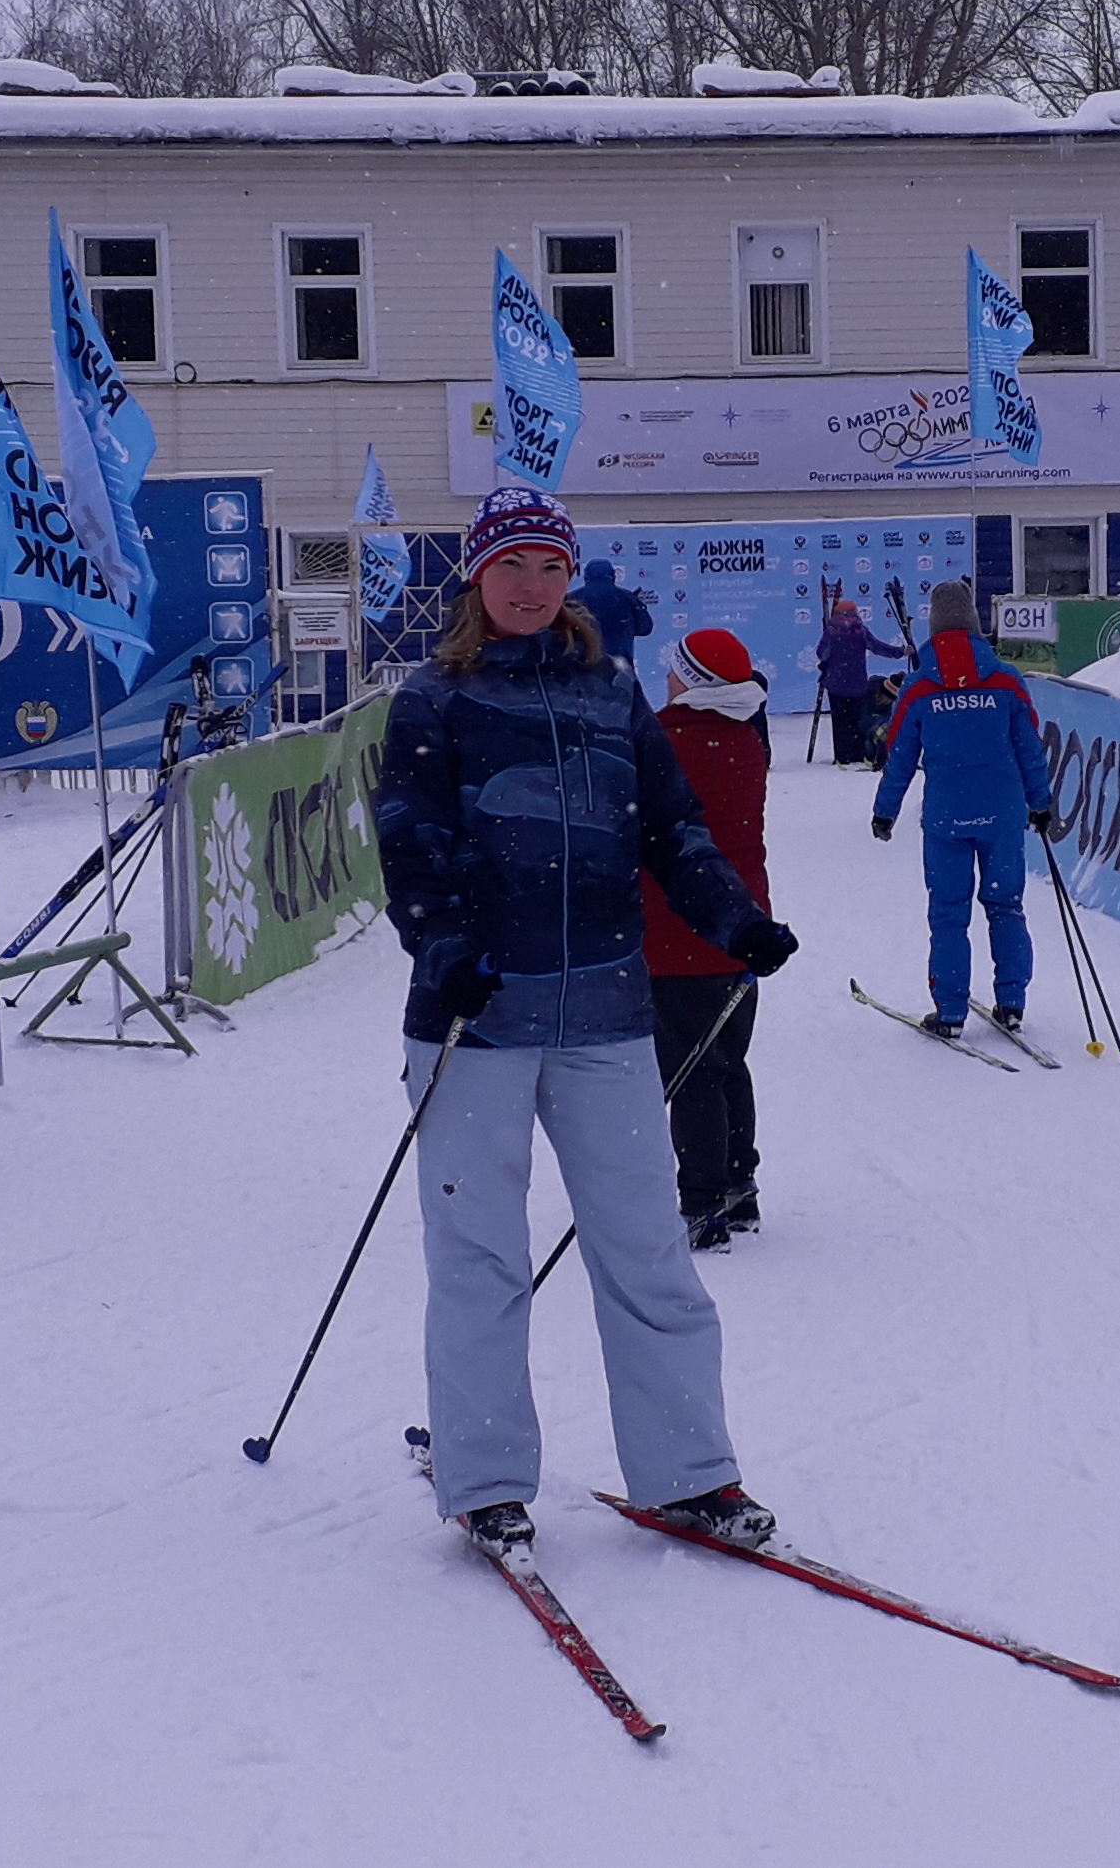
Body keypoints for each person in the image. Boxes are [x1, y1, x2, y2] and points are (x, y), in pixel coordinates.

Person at [372, 486, 801, 1560]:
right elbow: (412, 851)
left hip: (607, 1014)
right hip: (477, 1021)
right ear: (478, 577)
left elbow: (673, 831)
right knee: (480, 1258)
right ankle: (483, 1480)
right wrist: (451, 952)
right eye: (511, 566)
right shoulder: (435, 700)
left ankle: (689, 1474)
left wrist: (735, 922)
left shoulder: (614, 694)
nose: (530, 586)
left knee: (648, 1249)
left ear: (571, 580)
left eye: (550, 568)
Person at [871, 578, 1056, 1040]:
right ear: (976, 625)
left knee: (949, 913)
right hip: (1002, 813)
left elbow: (899, 756)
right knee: (1006, 906)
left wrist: (885, 812)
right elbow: (1030, 747)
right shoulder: (1006, 681)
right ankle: (1011, 1001)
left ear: (933, 628)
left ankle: (950, 1010)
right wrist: (1041, 803)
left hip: (947, 817)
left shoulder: (918, 688)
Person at [639, 626, 772, 1250]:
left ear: (692, 682)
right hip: (743, 927)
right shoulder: (746, 738)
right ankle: (739, 1186)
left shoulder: (666, 743)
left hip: (677, 930)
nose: (666, 678)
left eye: (675, 670)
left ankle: (702, 1203)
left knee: (692, 1072)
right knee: (726, 1063)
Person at [818, 593, 905, 767]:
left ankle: (842, 756)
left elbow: (822, 653)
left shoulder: (831, 631)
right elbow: (878, 647)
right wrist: (900, 652)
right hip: (857, 684)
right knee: (857, 720)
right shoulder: (860, 630)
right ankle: (858, 754)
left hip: (835, 685)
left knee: (840, 721)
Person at [573, 556, 656, 684]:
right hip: (620, 665)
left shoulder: (573, 599)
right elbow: (645, 628)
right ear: (613, 575)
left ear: (586, 576)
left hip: (582, 665)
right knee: (628, 701)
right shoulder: (627, 598)